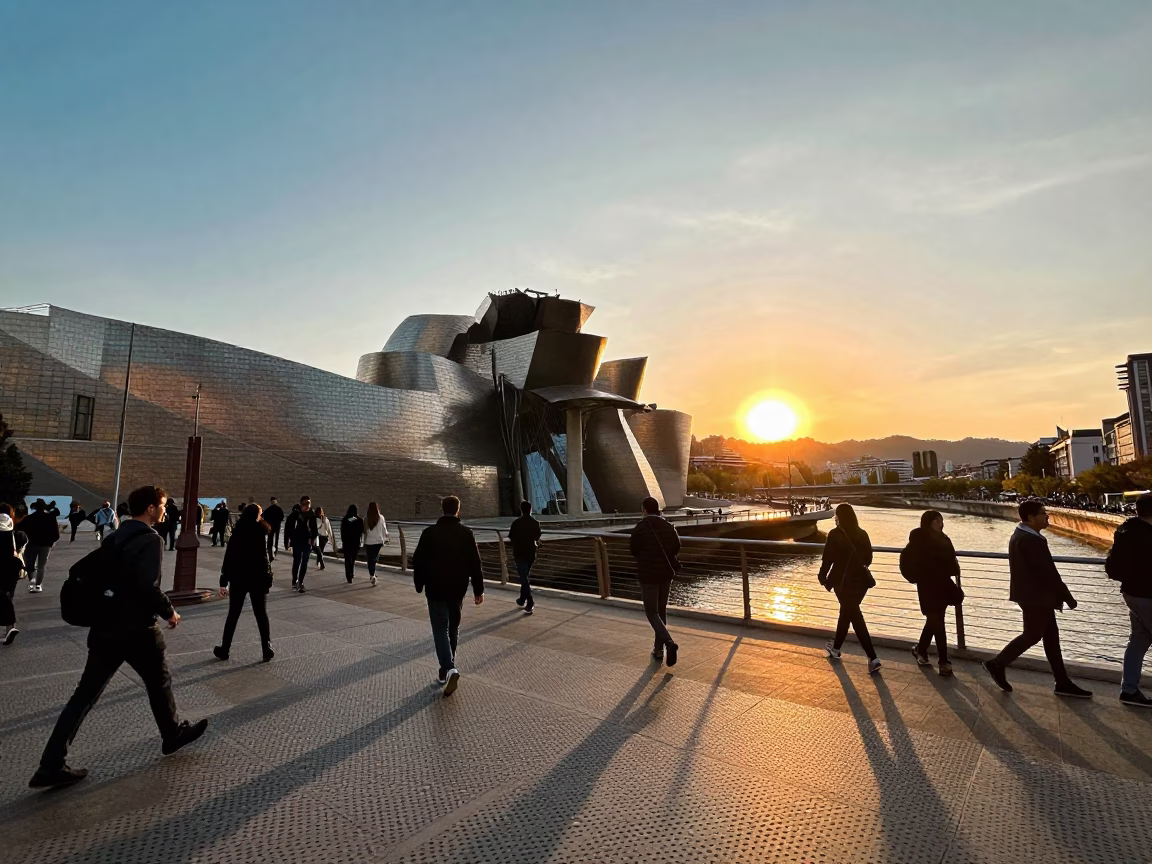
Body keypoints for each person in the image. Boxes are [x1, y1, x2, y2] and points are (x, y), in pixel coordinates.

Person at [28, 485, 208, 790]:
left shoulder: (118, 534)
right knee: (159, 680)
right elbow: (145, 585)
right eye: (162, 505)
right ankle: (172, 734)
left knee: (84, 695)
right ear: (150, 508)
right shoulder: (150, 539)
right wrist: (168, 611)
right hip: (137, 628)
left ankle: (50, 763)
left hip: (105, 626)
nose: (164, 510)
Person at [983, 500, 1092, 698]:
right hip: (1036, 597)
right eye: (1043, 513)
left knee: (1051, 638)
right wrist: (1067, 596)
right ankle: (997, 663)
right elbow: (1047, 572)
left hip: (1033, 595)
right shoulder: (1030, 540)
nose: (1047, 516)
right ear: (1031, 517)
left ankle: (1062, 681)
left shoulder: (1022, 535)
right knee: (1033, 635)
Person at [412, 495, 484, 697]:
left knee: (439, 629)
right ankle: (446, 670)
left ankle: (449, 668)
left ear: (442, 509)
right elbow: (475, 563)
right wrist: (478, 589)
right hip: (457, 588)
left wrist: (419, 584)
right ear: (458, 510)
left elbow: (418, 560)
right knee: (453, 627)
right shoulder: (466, 533)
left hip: (435, 589)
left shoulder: (429, 533)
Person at [818, 503, 881, 674]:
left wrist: (822, 576)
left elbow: (828, 558)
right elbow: (868, 558)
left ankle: (872, 657)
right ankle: (836, 648)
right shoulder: (862, 533)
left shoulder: (835, 534)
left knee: (853, 614)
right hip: (860, 581)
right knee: (847, 611)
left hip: (842, 581)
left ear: (839, 516)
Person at [900, 510, 962, 677]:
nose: (941, 524)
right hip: (927, 586)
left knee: (935, 621)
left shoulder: (944, 539)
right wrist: (916, 577)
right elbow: (905, 562)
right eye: (937, 521)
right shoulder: (918, 540)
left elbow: (951, 560)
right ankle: (943, 662)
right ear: (929, 523)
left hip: (942, 585)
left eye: (941, 521)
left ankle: (920, 649)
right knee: (938, 623)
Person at [1105, 492, 1152, 708]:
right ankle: (1129, 689)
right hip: (1148, 595)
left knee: (1139, 640)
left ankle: (1129, 689)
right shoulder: (1148, 535)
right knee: (1137, 641)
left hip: (1132, 594)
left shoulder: (1125, 530)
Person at [213, 504, 274, 663]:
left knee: (233, 614)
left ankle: (225, 649)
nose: (261, 516)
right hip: (257, 579)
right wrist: (267, 578)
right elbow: (265, 558)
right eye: (260, 514)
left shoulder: (237, 533)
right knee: (261, 614)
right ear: (256, 515)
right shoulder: (262, 532)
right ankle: (266, 648)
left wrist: (223, 581)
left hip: (238, 579)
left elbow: (229, 557)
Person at [629, 496, 682, 666]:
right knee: (661, 610)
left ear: (644, 510)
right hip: (665, 573)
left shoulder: (640, 528)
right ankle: (658, 650)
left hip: (648, 574)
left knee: (651, 612)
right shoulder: (668, 526)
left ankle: (668, 643)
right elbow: (676, 547)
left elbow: (634, 550)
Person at [1, 503, 28, 645]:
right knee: (8, 598)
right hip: (11, 570)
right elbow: (22, 550)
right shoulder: (18, 535)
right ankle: (9, 629)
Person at [21, 498, 61, 594]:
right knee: (41, 566)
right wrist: (50, 541)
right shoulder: (50, 518)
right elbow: (56, 534)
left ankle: (32, 582)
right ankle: (38, 585)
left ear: (35, 507)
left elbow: (20, 529)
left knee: (29, 564)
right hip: (45, 545)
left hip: (32, 544)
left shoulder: (29, 518)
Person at [508, 500, 541, 614]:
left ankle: (530, 601)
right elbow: (537, 537)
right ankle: (522, 599)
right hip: (531, 553)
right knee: (525, 576)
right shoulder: (535, 523)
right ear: (531, 509)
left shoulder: (516, 523)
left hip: (519, 552)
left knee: (523, 577)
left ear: (521, 510)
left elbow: (511, 536)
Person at [285, 496, 318, 593]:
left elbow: (314, 529)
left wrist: (313, 538)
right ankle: (294, 580)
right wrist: (288, 541)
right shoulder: (294, 515)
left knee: (304, 562)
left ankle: (301, 582)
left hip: (307, 542)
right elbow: (288, 529)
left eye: (308, 503)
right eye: (304, 504)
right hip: (297, 542)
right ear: (300, 504)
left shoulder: (312, 516)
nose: (306, 506)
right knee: (297, 561)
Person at [362, 501, 389, 587]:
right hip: (378, 541)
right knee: (375, 557)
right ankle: (373, 573)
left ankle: (372, 575)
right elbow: (384, 529)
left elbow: (364, 531)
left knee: (370, 559)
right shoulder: (381, 517)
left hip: (369, 542)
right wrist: (386, 537)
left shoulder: (366, 518)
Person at [340, 504, 364, 583]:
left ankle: (348, 575)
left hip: (347, 542)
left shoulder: (345, 520)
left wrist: (343, 540)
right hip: (355, 542)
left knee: (347, 559)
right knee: (353, 559)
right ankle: (351, 573)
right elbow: (361, 531)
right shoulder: (359, 520)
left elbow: (342, 531)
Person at [314, 506, 333, 570]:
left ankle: (321, 564)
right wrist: (331, 538)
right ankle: (318, 562)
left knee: (319, 551)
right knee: (320, 550)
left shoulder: (315, 520)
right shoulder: (326, 519)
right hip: (325, 537)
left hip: (319, 536)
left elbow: (314, 529)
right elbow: (329, 529)